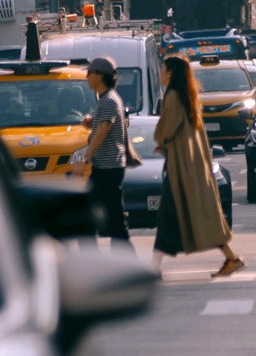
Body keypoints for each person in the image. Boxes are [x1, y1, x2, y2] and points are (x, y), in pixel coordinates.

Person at [154, 53, 245, 278]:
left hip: (181, 169)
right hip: (190, 167)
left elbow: (165, 129)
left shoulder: (173, 97)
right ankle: (231, 258)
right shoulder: (188, 97)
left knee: (171, 217)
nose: (160, 73)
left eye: (163, 69)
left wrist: (162, 140)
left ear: (171, 72)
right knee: (193, 215)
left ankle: (152, 270)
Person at [79, 59, 132, 243]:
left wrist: (84, 159)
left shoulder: (108, 101)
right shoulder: (107, 99)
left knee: (109, 218)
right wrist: (92, 122)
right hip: (106, 167)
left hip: (108, 168)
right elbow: (105, 125)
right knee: (109, 217)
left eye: (90, 73)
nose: (87, 77)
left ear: (100, 76)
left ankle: (121, 262)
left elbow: (102, 133)